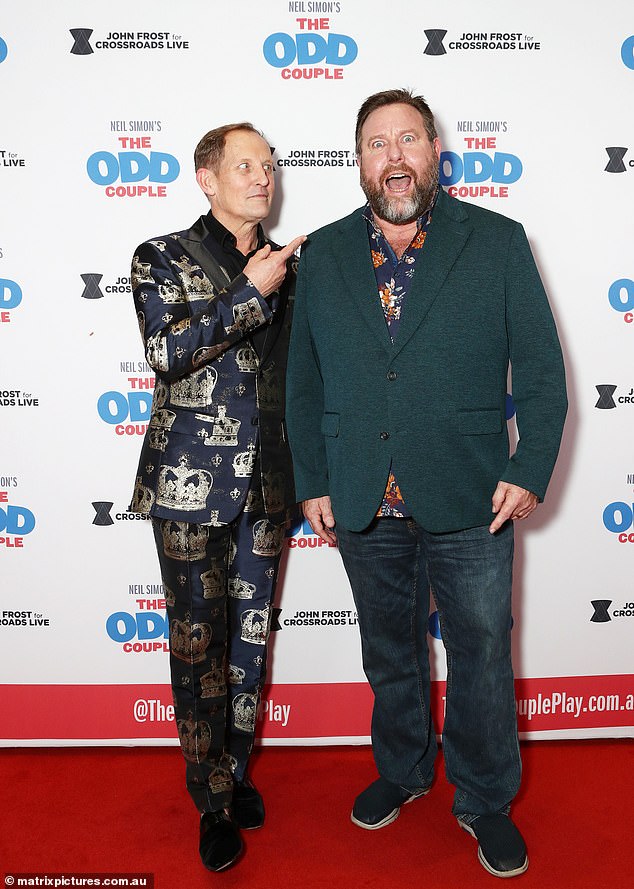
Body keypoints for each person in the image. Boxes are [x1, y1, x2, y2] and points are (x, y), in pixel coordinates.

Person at [286, 89, 567, 879]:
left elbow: (543, 372)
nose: (395, 155)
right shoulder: (327, 253)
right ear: (360, 162)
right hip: (362, 492)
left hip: (472, 492)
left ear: (435, 149)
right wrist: (313, 476)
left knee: (479, 651)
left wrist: (527, 465)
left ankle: (482, 799)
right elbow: (303, 379)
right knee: (390, 649)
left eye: (408, 137)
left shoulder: (499, 240)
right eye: (377, 143)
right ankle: (405, 767)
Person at [129, 122, 304, 872]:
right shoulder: (160, 255)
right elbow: (167, 353)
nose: (261, 177)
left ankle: (235, 766)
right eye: (244, 165)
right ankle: (211, 798)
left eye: (268, 165)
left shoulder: (293, 265)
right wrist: (248, 291)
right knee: (198, 648)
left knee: (248, 647)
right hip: (189, 487)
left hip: (269, 483)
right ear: (206, 176)